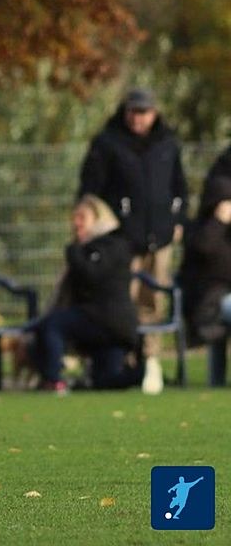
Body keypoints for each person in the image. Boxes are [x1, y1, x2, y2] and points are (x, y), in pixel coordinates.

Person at [78, 88, 188, 395]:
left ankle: (150, 359)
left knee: (154, 300)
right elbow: (90, 192)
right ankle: (120, 360)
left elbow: (179, 188)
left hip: (160, 238)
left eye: (143, 112)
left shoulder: (166, 144)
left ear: (154, 113)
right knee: (120, 301)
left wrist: (178, 222)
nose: (137, 118)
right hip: (121, 242)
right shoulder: (107, 144)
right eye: (132, 111)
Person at [31, 195, 140, 392]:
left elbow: (91, 274)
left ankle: (52, 379)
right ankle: (143, 375)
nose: (76, 223)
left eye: (82, 217)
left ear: (98, 218)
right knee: (105, 381)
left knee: (51, 325)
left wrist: (74, 251)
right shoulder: (115, 244)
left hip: (105, 320)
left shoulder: (107, 245)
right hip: (116, 326)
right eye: (74, 218)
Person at [178, 154, 231, 387]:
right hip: (210, 301)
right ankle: (215, 381)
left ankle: (216, 381)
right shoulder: (202, 230)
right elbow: (203, 251)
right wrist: (219, 222)